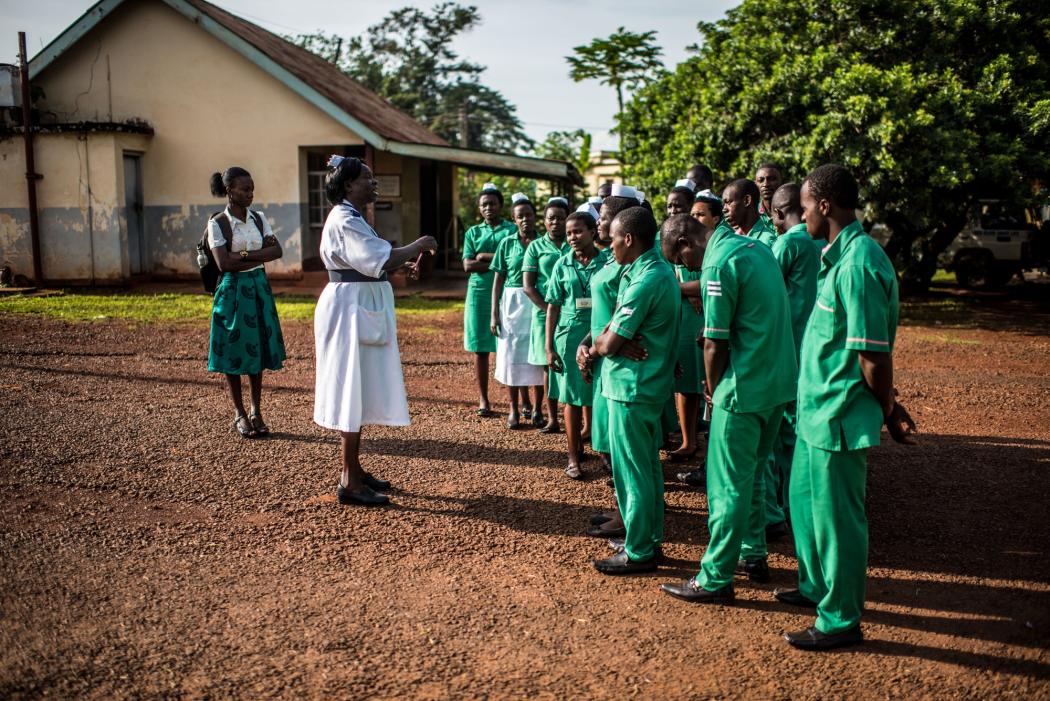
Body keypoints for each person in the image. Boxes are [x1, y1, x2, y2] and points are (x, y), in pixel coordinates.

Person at [780, 164, 915, 651]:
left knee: (838, 520)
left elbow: (872, 355)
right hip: (815, 410)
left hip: (838, 413)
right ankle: (816, 587)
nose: (799, 216)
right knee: (805, 507)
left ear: (824, 206)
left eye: (803, 206)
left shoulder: (859, 263)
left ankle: (839, 619)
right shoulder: (835, 257)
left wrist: (888, 409)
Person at [659, 202, 796, 602]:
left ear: (686, 243)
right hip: (777, 384)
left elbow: (714, 341)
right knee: (754, 476)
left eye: (678, 260)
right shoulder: (754, 248)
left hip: (744, 388)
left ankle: (716, 576)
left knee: (725, 487)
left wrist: (712, 388)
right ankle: (753, 554)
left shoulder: (717, 265)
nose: (688, 270)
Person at [313, 155, 437, 506]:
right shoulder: (345, 219)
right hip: (349, 310)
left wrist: (395, 265)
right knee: (351, 386)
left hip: (358, 305)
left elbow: (372, 263)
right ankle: (349, 480)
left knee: (359, 386)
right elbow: (378, 259)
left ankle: (353, 467)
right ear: (349, 185)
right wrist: (419, 245)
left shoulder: (354, 218)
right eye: (367, 178)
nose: (374, 182)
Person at [591, 206, 680, 575]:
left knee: (634, 472)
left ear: (628, 239)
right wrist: (609, 337)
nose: (609, 246)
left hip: (633, 388)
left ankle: (640, 549)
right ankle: (647, 539)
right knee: (645, 470)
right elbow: (614, 327)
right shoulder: (644, 271)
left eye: (612, 239)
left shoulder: (648, 279)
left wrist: (599, 343)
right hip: (637, 386)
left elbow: (610, 342)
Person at [576, 187, 646, 539]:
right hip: (604, 354)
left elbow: (626, 311)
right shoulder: (609, 258)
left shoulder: (625, 262)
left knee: (619, 447)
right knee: (607, 441)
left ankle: (628, 515)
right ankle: (621, 507)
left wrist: (613, 343)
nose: (599, 222)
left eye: (603, 217)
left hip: (618, 360)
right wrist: (586, 343)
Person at [206, 166, 287, 439]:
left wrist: (241, 255)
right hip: (233, 292)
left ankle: (256, 410)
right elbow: (223, 263)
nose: (250, 193)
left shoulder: (259, 218)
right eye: (245, 189)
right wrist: (256, 254)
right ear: (230, 191)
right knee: (233, 350)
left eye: (252, 188)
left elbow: (277, 250)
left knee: (257, 350)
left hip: (258, 288)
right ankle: (239, 412)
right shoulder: (218, 223)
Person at [764, 182, 821, 530]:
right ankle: (796, 501)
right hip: (812, 348)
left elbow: (765, 291)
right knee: (799, 428)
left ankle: (779, 509)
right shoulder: (822, 241)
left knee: (779, 433)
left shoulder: (788, 242)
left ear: (779, 213)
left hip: (787, 348)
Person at [545, 207, 609, 479]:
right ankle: (573, 457)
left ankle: (605, 453)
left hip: (600, 333)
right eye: (569, 233)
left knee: (601, 394)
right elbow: (552, 307)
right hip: (569, 336)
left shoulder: (608, 260)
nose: (572, 237)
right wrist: (548, 347)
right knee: (571, 397)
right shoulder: (562, 264)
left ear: (593, 231)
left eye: (577, 231)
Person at [462, 183, 517, 418]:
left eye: (492, 203)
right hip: (478, 294)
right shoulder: (472, 233)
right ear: (479, 208)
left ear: (501, 205)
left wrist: (483, 257)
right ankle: (484, 398)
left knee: (512, 345)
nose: (488, 208)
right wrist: (498, 261)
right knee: (480, 349)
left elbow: (515, 259)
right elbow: (467, 265)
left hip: (508, 292)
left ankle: (516, 399)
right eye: (484, 204)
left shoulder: (512, 230)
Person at [491, 194, 545, 429]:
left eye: (529, 215)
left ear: (535, 217)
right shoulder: (506, 243)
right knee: (511, 356)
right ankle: (513, 408)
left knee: (537, 356)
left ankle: (537, 408)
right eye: (520, 216)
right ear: (513, 219)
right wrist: (494, 313)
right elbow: (498, 279)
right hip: (512, 303)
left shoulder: (543, 243)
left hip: (535, 301)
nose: (525, 220)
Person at [523, 198, 571, 431]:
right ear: (544, 221)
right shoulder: (535, 247)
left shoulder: (574, 243)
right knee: (547, 365)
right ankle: (552, 418)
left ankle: (577, 418)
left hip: (573, 312)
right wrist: (550, 311)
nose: (556, 222)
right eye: (551, 218)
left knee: (572, 361)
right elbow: (528, 286)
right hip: (545, 314)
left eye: (560, 218)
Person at [661, 215, 704, 463]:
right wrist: (690, 290)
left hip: (705, 317)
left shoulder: (716, 253)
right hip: (684, 320)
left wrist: (694, 288)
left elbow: (710, 283)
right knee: (686, 380)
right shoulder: (667, 245)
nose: (684, 266)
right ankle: (689, 441)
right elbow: (667, 282)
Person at [723, 178, 776, 247]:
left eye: (728, 202)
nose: (724, 209)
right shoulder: (732, 239)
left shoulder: (767, 241)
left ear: (747, 200)